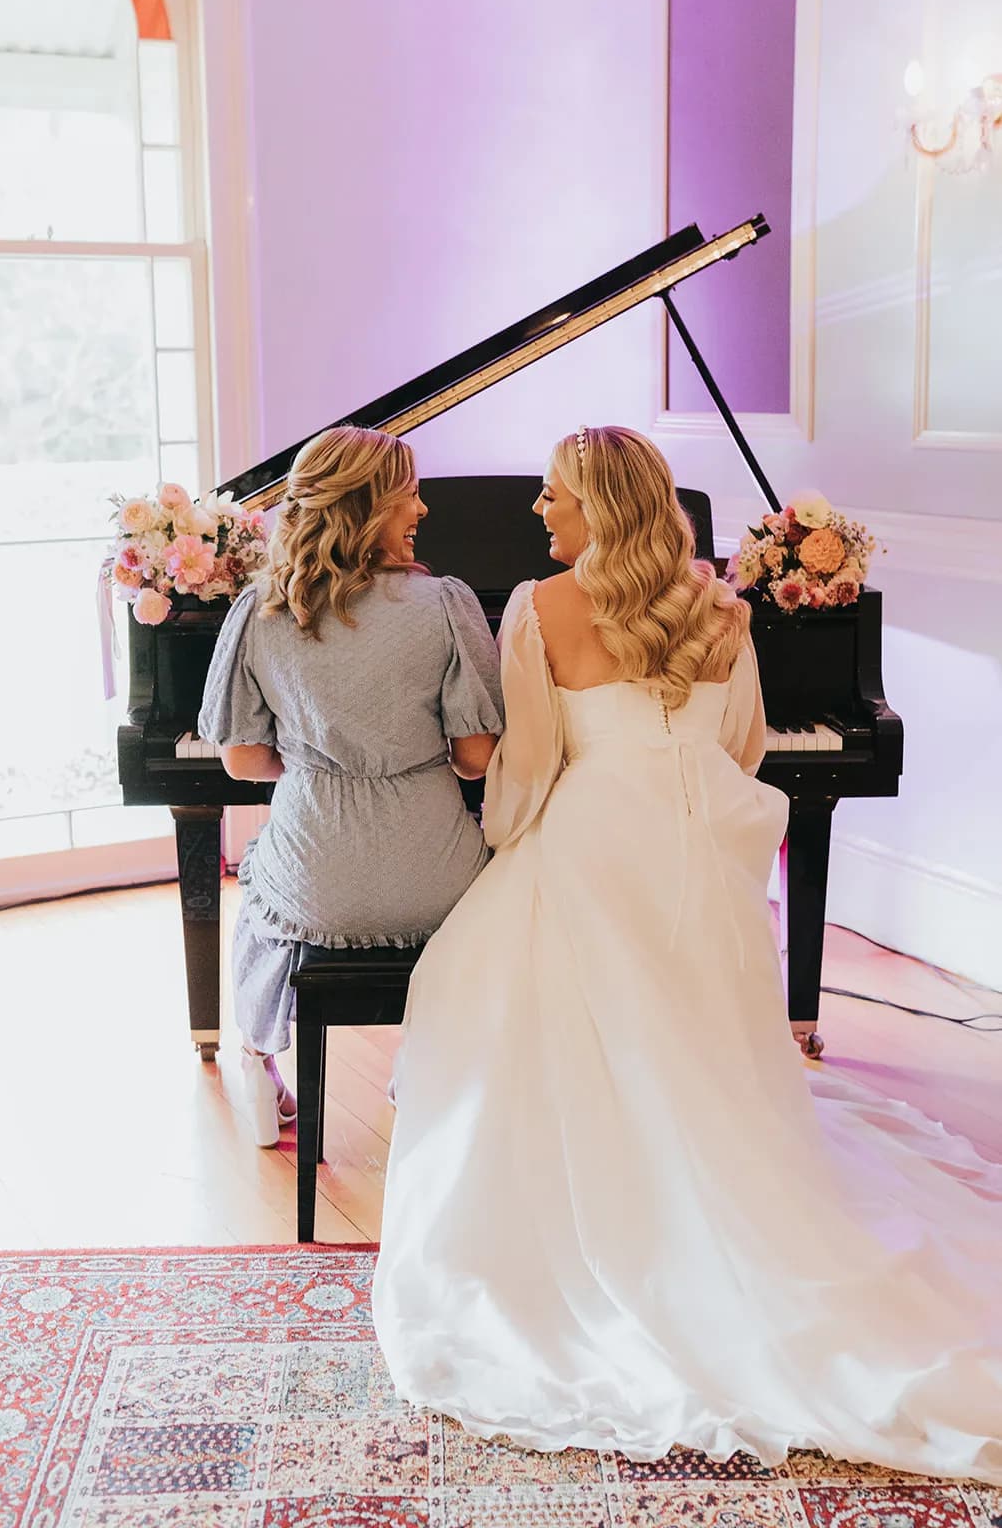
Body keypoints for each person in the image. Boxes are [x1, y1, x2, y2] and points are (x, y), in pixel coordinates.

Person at [372, 424, 1002, 1482]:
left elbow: (528, 764)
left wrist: (505, 842)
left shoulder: (538, 605)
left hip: (591, 832)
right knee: (697, 1014)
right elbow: (740, 747)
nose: (538, 509)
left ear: (599, 505)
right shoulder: (720, 605)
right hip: (701, 838)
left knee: (477, 970)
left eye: (553, 493)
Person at [197, 426, 503, 1146]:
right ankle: (425, 1063)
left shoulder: (261, 608)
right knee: (498, 885)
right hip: (434, 880)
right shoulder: (445, 604)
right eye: (409, 495)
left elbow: (241, 762)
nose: (422, 509)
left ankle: (259, 1061)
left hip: (317, 881)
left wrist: (314, 767)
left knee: (262, 892)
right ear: (368, 504)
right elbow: (476, 759)